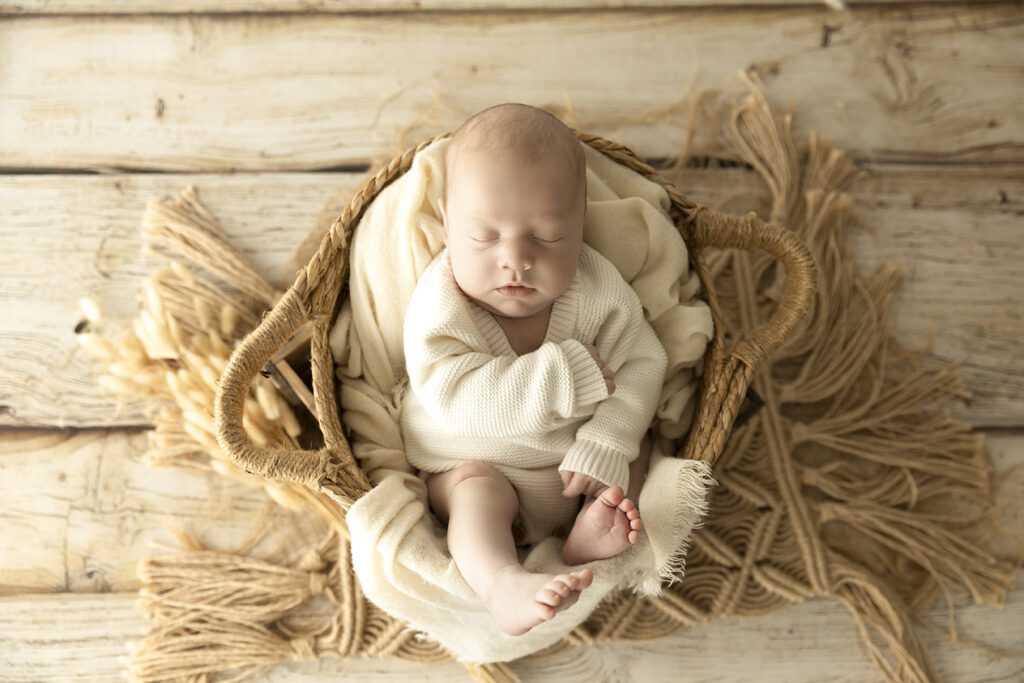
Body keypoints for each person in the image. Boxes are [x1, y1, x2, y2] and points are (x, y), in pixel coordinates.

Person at [400, 103, 668, 637]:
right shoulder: (442, 304)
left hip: (577, 466)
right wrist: (560, 376)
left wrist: (610, 440)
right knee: (476, 496)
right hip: (473, 459)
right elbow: (453, 397)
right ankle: (501, 582)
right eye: (486, 237)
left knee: (636, 471)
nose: (517, 259)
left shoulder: (598, 289)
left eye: (547, 237)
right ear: (447, 222)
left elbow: (643, 361)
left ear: (581, 225)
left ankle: (583, 542)